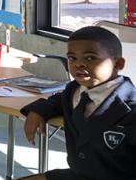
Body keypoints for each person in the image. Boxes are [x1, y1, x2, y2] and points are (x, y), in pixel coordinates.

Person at [20, 26, 135, 180]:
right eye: (72, 58)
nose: (78, 64)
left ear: (118, 64)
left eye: (90, 58)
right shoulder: (73, 90)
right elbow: (57, 101)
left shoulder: (131, 108)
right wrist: (37, 110)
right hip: (77, 175)